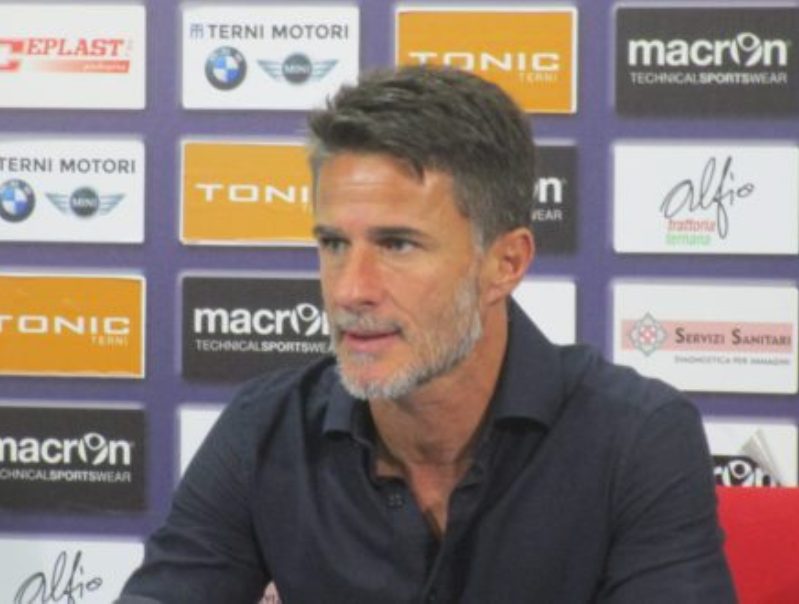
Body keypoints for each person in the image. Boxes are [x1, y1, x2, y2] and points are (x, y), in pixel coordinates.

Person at [118, 66, 734, 603]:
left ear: (506, 263)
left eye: (397, 245)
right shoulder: (266, 428)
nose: (350, 290)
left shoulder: (635, 438)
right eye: (333, 244)